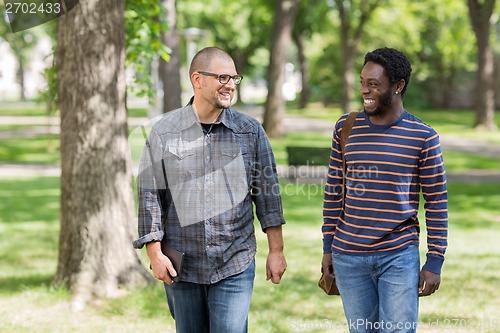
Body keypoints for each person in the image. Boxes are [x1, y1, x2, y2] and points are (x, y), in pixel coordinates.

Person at [133, 46, 287, 333]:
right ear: (197, 79)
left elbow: (268, 193)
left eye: (233, 78)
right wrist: (154, 253)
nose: (230, 85)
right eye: (222, 77)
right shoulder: (164, 132)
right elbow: (149, 196)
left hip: (234, 261)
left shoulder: (250, 131)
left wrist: (276, 250)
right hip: (182, 264)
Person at [322, 47, 448, 333]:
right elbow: (333, 192)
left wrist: (435, 259)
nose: (365, 90)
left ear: (398, 86)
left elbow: (436, 201)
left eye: (374, 84)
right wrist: (328, 247)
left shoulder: (423, 137)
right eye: (363, 82)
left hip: (398, 255)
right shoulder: (346, 127)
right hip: (348, 256)